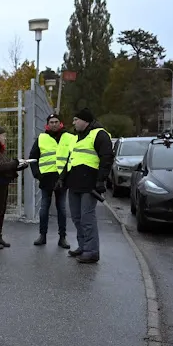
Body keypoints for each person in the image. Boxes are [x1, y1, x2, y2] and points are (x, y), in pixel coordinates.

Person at [56, 108, 113, 263]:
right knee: (77, 218)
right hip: (74, 184)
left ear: (85, 121)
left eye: (76, 120)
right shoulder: (76, 137)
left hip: (89, 185)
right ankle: (83, 246)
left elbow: (107, 158)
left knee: (87, 218)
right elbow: (70, 159)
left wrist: (101, 180)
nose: (73, 122)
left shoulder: (99, 135)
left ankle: (92, 251)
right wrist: (62, 178)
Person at [29, 113, 76, 248]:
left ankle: (62, 237)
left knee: (61, 208)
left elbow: (73, 157)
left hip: (63, 178)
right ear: (47, 124)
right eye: (51, 122)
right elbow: (33, 158)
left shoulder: (70, 137)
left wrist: (69, 176)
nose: (54, 124)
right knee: (44, 208)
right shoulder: (41, 138)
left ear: (60, 123)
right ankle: (42, 235)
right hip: (46, 178)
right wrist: (37, 175)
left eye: (56, 122)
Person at [0, 124, 28, 249]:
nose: (5, 138)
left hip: (1, 182)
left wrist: (20, 165)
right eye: (3, 136)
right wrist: (16, 162)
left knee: (0, 210)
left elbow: (6, 165)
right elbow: (0, 166)